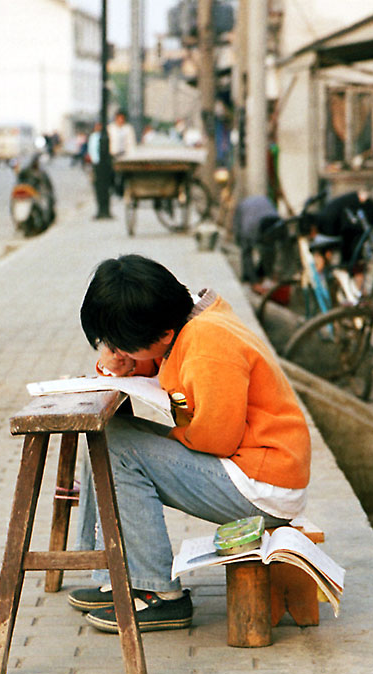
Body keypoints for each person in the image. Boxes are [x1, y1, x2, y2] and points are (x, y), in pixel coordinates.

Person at [68, 255, 311, 633]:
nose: (120, 351)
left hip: (262, 485)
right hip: (247, 470)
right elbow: (158, 363)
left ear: (161, 334)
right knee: (106, 432)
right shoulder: (185, 325)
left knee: (120, 448)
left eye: (123, 345)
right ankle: (113, 570)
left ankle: (158, 594)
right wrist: (115, 365)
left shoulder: (207, 340)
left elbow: (217, 438)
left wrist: (163, 443)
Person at [232, 194, 285, 291]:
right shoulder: (248, 229)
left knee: (269, 249)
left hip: (264, 207)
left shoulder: (280, 226)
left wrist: (275, 274)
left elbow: (282, 249)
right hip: (244, 208)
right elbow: (246, 254)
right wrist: (254, 283)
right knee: (244, 247)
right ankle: (248, 279)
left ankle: (262, 274)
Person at [107, 110, 137, 196]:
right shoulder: (110, 128)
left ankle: (121, 191)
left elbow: (131, 142)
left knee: (123, 174)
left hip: (124, 154)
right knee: (112, 173)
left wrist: (131, 154)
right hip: (113, 154)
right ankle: (113, 189)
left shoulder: (128, 128)